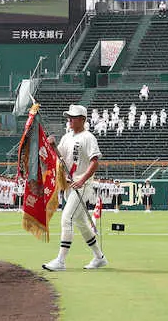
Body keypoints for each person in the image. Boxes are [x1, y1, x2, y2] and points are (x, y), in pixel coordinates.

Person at [42, 105, 108, 271]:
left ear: (83, 120)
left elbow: (95, 162)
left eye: (73, 117)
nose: (69, 119)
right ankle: (99, 257)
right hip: (70, 185)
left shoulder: (88, 137)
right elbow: (59, 156)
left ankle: (61, 261)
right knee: (82, 223)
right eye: (69, 117)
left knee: (67, 218)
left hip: (82, 185)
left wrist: (82, 179)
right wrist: (53, 145)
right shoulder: (66, 137)